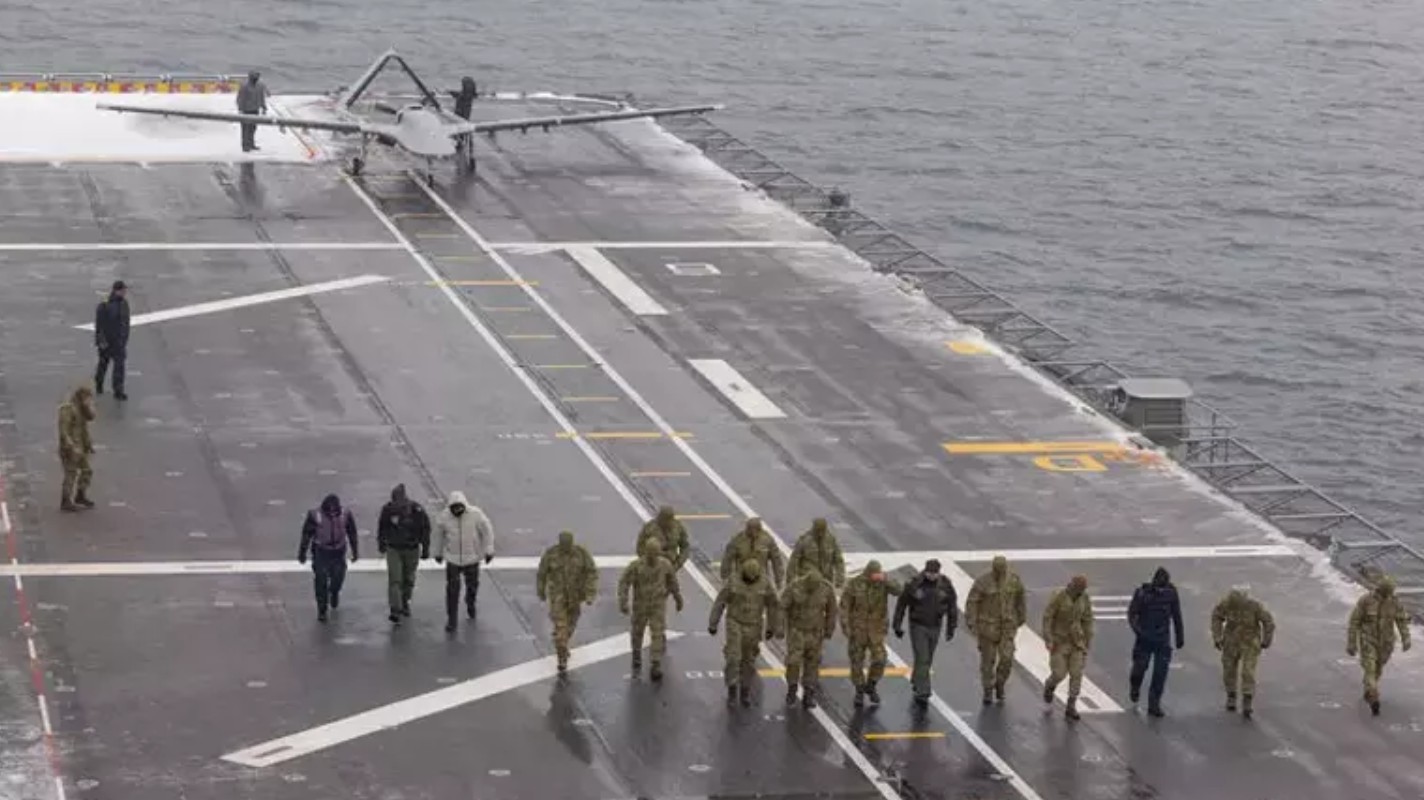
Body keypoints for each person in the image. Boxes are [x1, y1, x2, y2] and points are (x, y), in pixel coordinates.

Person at [709, 558, 782, 708]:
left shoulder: (765, 583)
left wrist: (771, 627)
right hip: (735, 622)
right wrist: (713, 623)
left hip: (754, 625)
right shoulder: (733, 581)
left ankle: (745, 690)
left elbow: (773, 605)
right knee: (733, 657)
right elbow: (720, 601)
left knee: (749, 660)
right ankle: (732, 688)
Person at [892, 559, 958, 706]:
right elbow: (902, 604)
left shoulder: (946, 585)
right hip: (918, 626)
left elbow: (952, 607)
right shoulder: (914, 584)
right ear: (925, 571)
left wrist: (951, 628)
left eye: (935, 573)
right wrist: (897, 624)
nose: (932, 576)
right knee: (922, 657)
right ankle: (924, 690)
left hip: (935, 626)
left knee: (928, 658)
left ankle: (917, 680)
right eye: (929, 573)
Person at [617, 538, 684, 681]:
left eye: (655, 554)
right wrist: (623, 601)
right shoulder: (636, 566)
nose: (653, 557)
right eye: (651, 554)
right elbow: (624, 582)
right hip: (640, 604)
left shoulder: (665, 565)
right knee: (637, 632)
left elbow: (673, 582)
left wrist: (678, 598)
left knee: (657, 633)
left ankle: (656, 663)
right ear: (646, 552)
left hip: (657, 605)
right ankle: (636, 654)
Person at [965, 555, 1026, 705]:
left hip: (1007, 627)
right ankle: (987, 689)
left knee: (1007, 659)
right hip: (987, 628)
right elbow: (972, 602)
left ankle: (1000, 684)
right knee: (988, 662)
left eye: (1002, 569)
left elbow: (1020, 599)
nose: (1000, 572)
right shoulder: (983, 582)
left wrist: (1020, 617)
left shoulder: (1014, 580)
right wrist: (972, 622)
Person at [841, 559, 903, 707]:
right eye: (874, 574)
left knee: (880, 659)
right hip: (858, 630)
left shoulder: (883, 584)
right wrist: (846, 627)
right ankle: (859, 690)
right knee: (856, 662)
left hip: (876, 631)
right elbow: (844, 607)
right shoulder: (854, 584)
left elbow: (899, 590)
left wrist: (885, 579)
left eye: (878, 573)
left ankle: (871, 684)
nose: (876, 576)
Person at [1347, 575, 1411, 716]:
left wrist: (1406, 638)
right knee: (1370, 668)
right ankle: (1373, 696)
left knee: (1377, 670)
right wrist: (1351, 643)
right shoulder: (1366, 601)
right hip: (1368, 640)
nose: (1388, 595)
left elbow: (1401, 621)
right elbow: (1354, 622)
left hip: (1386, 643)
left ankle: (1369, 690)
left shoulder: (1394, 602)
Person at [432, 490, 494, 632]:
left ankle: (470, 602)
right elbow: (438, 535)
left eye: (459, 507)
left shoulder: (476, 514)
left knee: (472, 586)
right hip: (452, 559)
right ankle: (452, 620)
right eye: (454, 508)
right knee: (452, 591)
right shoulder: (444, 517)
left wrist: (489, 550)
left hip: (472, 558)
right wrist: (437, 552)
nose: (457, 511)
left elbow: (487, 531)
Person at [537, 531, 598, 673]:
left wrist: (590, 593)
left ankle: (563, 643)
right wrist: (541, 591)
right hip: (558, 598)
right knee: (561, 628)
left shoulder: (581, 554)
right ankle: (562, 657)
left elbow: (591, 572)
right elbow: (542, 573)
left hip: (575, 597)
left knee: (571, 624)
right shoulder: (551, 554)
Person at [1127, 566, 1184, 717]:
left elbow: (1177, 615)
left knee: (1160, 674)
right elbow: (1132, 614)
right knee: (1139, 669)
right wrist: (1138, 631)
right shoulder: (1142, 593)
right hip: (1144, 638)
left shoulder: (1171, 593)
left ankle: (1154, 704)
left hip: (1162, 639)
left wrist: (1179, 637)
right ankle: (1135, 686)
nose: (1162, 590)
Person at [1211, 586, 1274, 719]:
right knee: (1229, 669)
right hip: (1231, 641)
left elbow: (1268, 621)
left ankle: (1247, 699)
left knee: (1248, 671)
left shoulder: (1254, 605)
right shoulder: (1227, 603)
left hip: (1249, 642)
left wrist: (1266, 640)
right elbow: (1217, 616)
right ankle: (1231, 695)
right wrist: (1217, 636)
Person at [781, 562, 837, 709]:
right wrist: (780, 627)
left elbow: (832, 610)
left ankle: (809, 693)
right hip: (797, 631)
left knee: (813, 663)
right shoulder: (794, 587)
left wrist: (829, 629)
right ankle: (792, 689)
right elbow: (782, 606)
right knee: (793, 662)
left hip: (815, 633)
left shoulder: (826, 588)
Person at [298, 494, 359, 622]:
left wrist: (355, 551)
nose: (332, 512)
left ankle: (334, 592)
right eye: (330, 509)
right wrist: (302, 553)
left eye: (334, 509)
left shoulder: (345, 514)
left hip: (338, 551)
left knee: (338, 577)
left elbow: (352, 533)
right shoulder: (315, 515)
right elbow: (306, 535)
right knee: (320, 580)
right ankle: (322, 609)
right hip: (321, 551)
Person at [376, 484, 431, 625]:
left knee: (408, 578)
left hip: (412, 549)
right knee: (395, 579)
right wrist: (382, 543)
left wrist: (425, 548)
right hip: (393, 548)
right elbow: (382, 527)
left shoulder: (416, 510)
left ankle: (405, 600)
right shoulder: (388, 509)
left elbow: (425, 529)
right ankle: (395, 608)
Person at [1041, 575, 1094, 721]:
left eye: (1083, 589)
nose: (1081, 591)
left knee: (1076, 673)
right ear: (1073, 586)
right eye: (1079, 588)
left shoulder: (1084, 598)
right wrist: (1048, 638)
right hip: (1060, 641)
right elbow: (1048, 617)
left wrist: (1087, 640)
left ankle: (1071, 705)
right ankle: (1050, 686)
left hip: (1077, 642)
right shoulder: (1059, 596)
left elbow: (1087, 619)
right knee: (1059, 673)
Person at [56, 386, 97, 512]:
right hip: (70, 448)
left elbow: (90, 419)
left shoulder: (82, 409)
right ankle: (65, 500)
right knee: (70, 474)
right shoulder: (68, 409)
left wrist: (88, 407)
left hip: (81, 447)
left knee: (87, 471)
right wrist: (70, 446)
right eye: (87, 398)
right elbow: (64, 431)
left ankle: (80, 495)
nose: (89, 401)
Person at [721, 517, 785, 589]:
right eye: (750, 530)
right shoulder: (737, 540)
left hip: (762, 580)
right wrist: (725, 577)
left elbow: (776, 560)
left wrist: (779, 580)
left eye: (756, 530)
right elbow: (727, 558)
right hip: (742, 579)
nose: (753, 533)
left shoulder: (767, 540)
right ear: (747, 529)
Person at [93, 280, 130, 400]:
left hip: (119, 342)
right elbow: (99, 325)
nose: (124, 292)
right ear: (116, 290)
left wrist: (125, 338)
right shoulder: (105, 305)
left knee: (119, 367)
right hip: (107, 342)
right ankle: (99, 383)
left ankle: (118, 391)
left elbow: (126, 323)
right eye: (123, 290)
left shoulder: (124, 304)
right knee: (103, 364)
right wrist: (101, 340)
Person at [788, 518, 846, 591]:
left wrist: (840, 580)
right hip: (808, 581)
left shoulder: (831, 540)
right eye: (818, 530)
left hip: (826, 581)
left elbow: (838, 561)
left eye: (822, 531)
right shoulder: (804, 540)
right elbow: (794, 561)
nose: (820, 533)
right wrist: (791, 581)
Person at [236, 70, 269, 152]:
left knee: (253, 128)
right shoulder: (244, 86)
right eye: (254, 77)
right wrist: (240, 109)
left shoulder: (259, 85)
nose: (256, 79)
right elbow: (240, 98)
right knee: (245, 129)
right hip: (246, 110)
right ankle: (245, 146)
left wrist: (264, 107)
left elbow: (261, 97)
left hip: (255, 109)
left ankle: (251, 144)